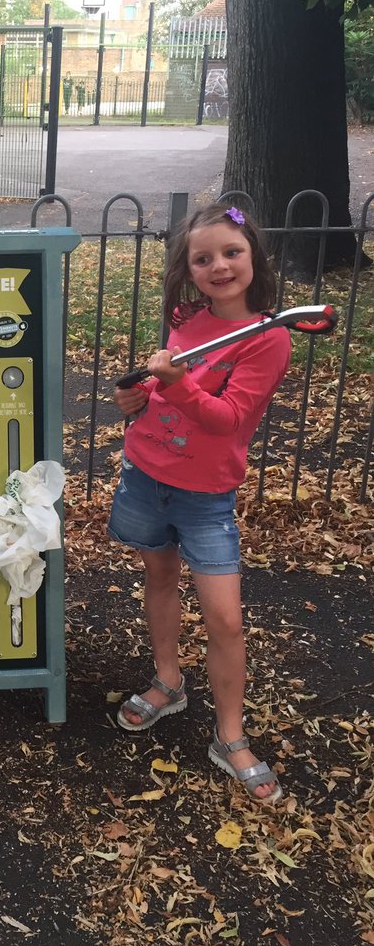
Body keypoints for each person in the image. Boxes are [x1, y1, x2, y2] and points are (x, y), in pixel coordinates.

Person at [109, 202, 290, 804]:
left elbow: (227, 418)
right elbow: (165, 398)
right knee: (158, 579)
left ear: (253, 258)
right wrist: (136, 400)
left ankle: (230, 737)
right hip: (147, 475)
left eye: (231, 253)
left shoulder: (268, 339)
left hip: (206, 497)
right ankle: (168, 680)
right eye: (203, 257)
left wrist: (176, 383)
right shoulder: (186, 320)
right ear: (188, 270)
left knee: (225, 618)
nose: (219, 265)